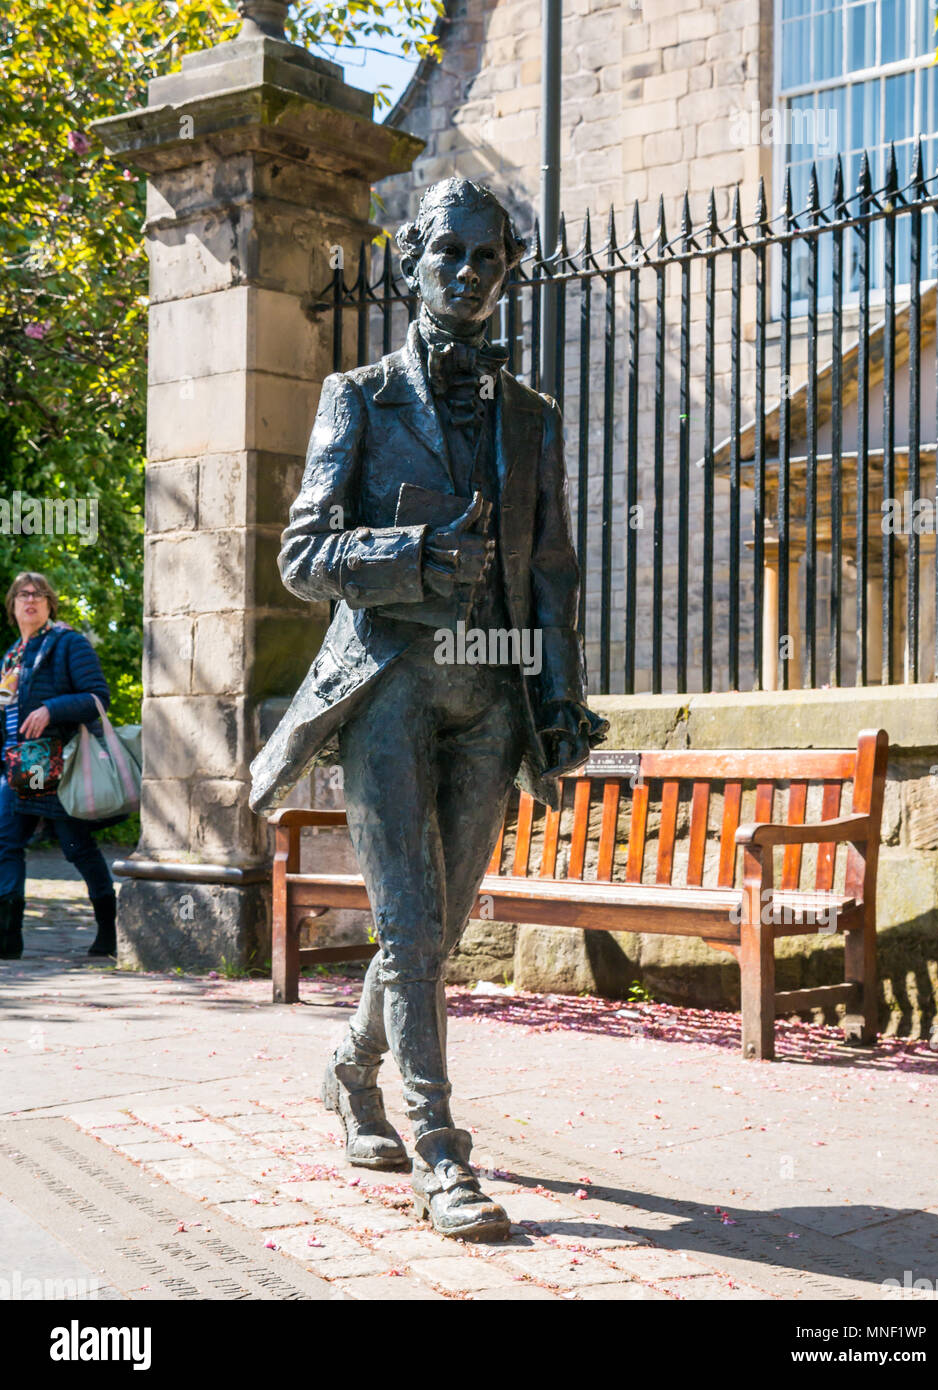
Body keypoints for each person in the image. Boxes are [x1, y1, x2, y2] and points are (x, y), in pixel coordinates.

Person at [250, 178, 607, 1241]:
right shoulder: (357, 397)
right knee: (409, 929)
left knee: (436, 935)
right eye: (447, 253)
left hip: (490, 697)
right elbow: (303, 556)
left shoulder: (530, 417)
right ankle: (441, 1153)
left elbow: (552, 575)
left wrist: (558, 704)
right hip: (391, 690)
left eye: (487, 258)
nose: (466, 273)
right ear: (411, 264)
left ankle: (347, 1069)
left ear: (506, 273)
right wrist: (403, 555)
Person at [0, 572, 118, 960]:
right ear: (12, 605)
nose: (29, 600)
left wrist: (52, 708)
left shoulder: (68, 643)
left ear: (50, 604)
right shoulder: (12, 655)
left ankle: (108, 931)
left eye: (38, 594)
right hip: (23, 766)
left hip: (61, 763)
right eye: (22, 594)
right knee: (7, 842)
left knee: (76, 848)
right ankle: (8, 936)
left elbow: (97, 697)